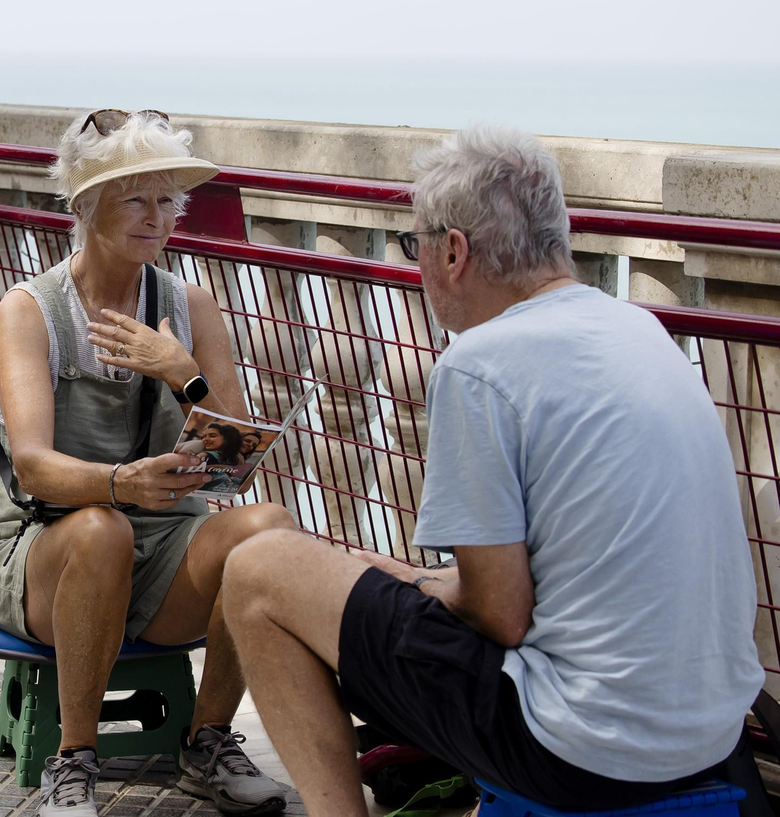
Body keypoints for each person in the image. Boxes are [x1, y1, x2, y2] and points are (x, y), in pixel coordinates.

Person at [220, 126, 765, 816]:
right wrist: (425, 582)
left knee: (259, 570)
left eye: (417, 247)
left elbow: (501, 616)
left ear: (454, 251)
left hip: (584, 752)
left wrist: (416, 582)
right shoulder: (638, 330)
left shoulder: (482, 363)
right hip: (709, 738)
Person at [0, 108, 298, 817]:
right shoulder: (30, 310)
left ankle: (209, 740)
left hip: (162, 549)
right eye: (135, 198)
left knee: (267, 526)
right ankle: (75, 759)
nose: (157, 217)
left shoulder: (190, 305)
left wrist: (181, 372)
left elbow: (233, 457)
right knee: (103, 530)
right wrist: (121, 484)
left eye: (167, 200)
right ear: (87, 205)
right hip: (46, 547)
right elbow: (31, 468)